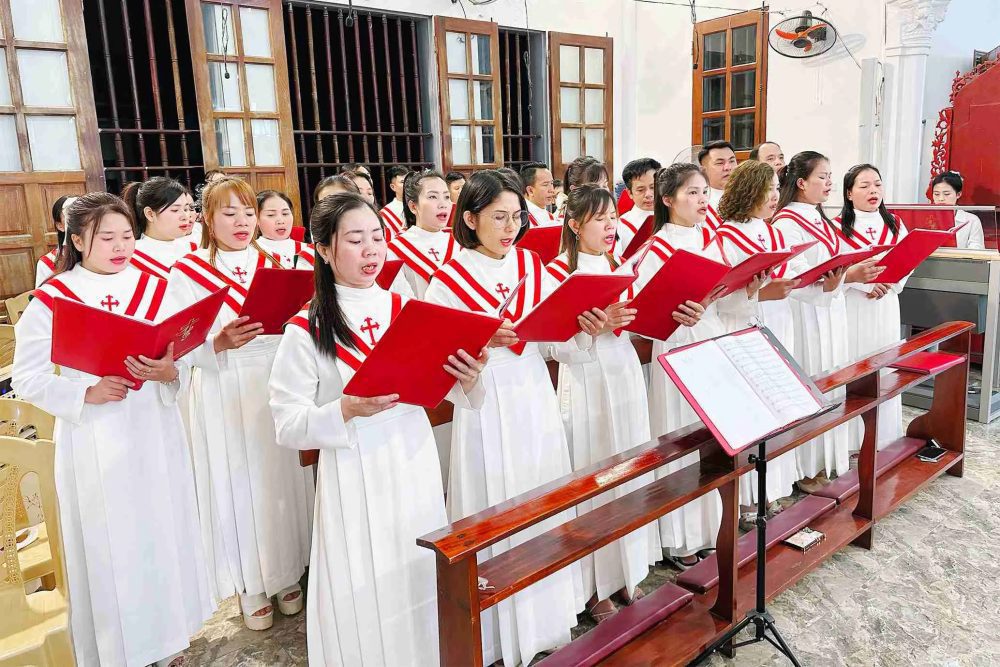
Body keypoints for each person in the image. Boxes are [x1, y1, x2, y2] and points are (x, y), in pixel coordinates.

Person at [269, 192, 486, 666]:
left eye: (377, 236)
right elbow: (286, 423)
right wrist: (344, 410)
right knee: (364, 577)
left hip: (412, 456)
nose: (371, 249)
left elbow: (444, 386)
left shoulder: (408, 309)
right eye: (354, 240)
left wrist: (468, 379)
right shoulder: (306, 328)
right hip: (355, 467)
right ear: (323, 249)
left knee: (417, 567)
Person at [13, 192, 215, 667]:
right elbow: (27, 378)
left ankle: (168, 637)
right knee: (112, 540)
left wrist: (171, 372)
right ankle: (122, 648)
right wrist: (85, 392)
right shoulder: (55, 298)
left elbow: (184, 354)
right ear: (77, 240)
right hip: (95, 435)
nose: (120, 246)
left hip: (154, 427)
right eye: (106, 237)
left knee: (161, 528)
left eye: (126, 235)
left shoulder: (158, 288)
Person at [424, 170, 584, 666]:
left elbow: (557, 337)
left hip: (533, 390)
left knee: (541, 491)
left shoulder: (533, 265)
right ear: (470, 219)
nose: (511, 227)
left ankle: (546, 620)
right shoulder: (447, 281)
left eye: (516, 216)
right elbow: (435, 357)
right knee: (495, 499)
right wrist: (479, 340)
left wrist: (582, 324)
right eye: (498, 217)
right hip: (484, 400)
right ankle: (496, 633)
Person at [167, 177, 313, 631]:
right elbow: (174, 344)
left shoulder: (278, 260)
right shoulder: (188, 272)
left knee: (281, 475)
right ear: (208, 220)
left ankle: (287, 570)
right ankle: (250, 584)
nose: (242, 222)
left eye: (249, 213)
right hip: (225, 382)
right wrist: (218, 342)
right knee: (239, 479)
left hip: (276, 374)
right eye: (229, 214)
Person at [544, 183, 658, 621]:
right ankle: (594, 586)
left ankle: (627, 570)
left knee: (628, 468)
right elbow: (550, 345)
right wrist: (591, 329)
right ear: (574, 225)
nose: (611, 226)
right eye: (599, 218)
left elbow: (634, 323)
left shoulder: (620, 265)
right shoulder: (557, 273)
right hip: (586, 378)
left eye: (613, 216)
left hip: (623, 371)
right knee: (593, 473)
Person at [635, 164, 758, 565]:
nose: (703, 199)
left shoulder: (715, 239)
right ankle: (681, 537)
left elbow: (728, 303)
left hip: (713, 340)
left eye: (705, 192)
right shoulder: (655, 249)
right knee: (682, 436)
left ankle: (713, 527)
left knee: (714, 436)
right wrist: (677, 313)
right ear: (667, 199)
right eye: (692, 192)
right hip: (676, 346)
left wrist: (749, 288)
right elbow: (644, 313)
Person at [771, 152, 882, 490]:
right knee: (812, 381)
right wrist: (848, 276)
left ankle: (826, 459)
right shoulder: (787, 223)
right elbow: (792, 276)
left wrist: (847, 274)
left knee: (833, 381)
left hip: (830, 309)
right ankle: (805, 467)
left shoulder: (819, 218)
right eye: (823, 176)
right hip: (806, 314)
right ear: (801, 183)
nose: (830, 182)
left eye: (831, 176)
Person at [715, 160, 800, 508]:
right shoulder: (725, 235)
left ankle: (772, 489)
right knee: (747, 411)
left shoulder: (774, 231)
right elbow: (721, 297)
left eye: (777, 189)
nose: (775, 196)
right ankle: (748, 498)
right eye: (768, 190)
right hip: (737, 327)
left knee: (776, 405)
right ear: (748, 190)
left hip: (775, 322)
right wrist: (757, 292)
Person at [834, 164, 909, 448]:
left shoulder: (896, 224)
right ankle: (853, 440)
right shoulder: (837, 226)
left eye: (877, 184)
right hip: (855, 304)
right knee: (857, 365)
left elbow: (909, 258)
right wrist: (864, 285)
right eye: (864, 186)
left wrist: (890, 281)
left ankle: (885, 437)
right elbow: (835, 268)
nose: (873, 190)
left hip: (886, 303)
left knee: (886, 366)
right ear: (849, 193)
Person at [386, 170, 457, 298]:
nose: (443, 204)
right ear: (413, 206)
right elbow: (401, 300)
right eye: (432, 197)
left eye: (447, 197)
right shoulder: (395, 249)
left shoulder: (459, 243)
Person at [123, 177, 199, 280]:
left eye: (186, 209)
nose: (185, 216)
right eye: (175, 210)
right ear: (150, 214)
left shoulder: (193, 248)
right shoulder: (130, 255)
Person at [255, 189, 315, 269]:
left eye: (285, 213)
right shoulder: (248, 252)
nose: (281, 221)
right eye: (271, 215)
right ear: (256, 219)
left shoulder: (310, 250)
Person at [930, 171, 986, 250]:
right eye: (936, 194)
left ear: (958, 194)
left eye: (946, 194)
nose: (941, 199)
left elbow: (977, 250)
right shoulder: (927, 218)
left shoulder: (972, 220)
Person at [617, 158, 662, 252]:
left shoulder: (674, 218)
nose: (648, 194)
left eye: (653, 187)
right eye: (641, 190)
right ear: (629, 193)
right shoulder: (620, 226)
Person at [34, 195, 77, 287]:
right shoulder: (47, 263)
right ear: (60, 226)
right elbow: (44, 294)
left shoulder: (102, 256)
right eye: (70, 216)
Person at [698, 140, 738, 230]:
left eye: (732, 161)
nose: (728, 167)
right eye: (720, 163)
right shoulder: (698, 202)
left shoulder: (749, 196)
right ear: (703, 170)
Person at [520, 162, 559, 226]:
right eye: (545, 184)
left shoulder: (552, 217)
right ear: (530, 190)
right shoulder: (520, 220)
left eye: (551, 183)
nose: (552, 190)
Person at [378, 165, 409, 242]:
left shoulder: (420, 205)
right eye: (402, 182)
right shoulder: (385, 214)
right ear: (393, 187)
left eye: (408, 181)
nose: (407, 185)